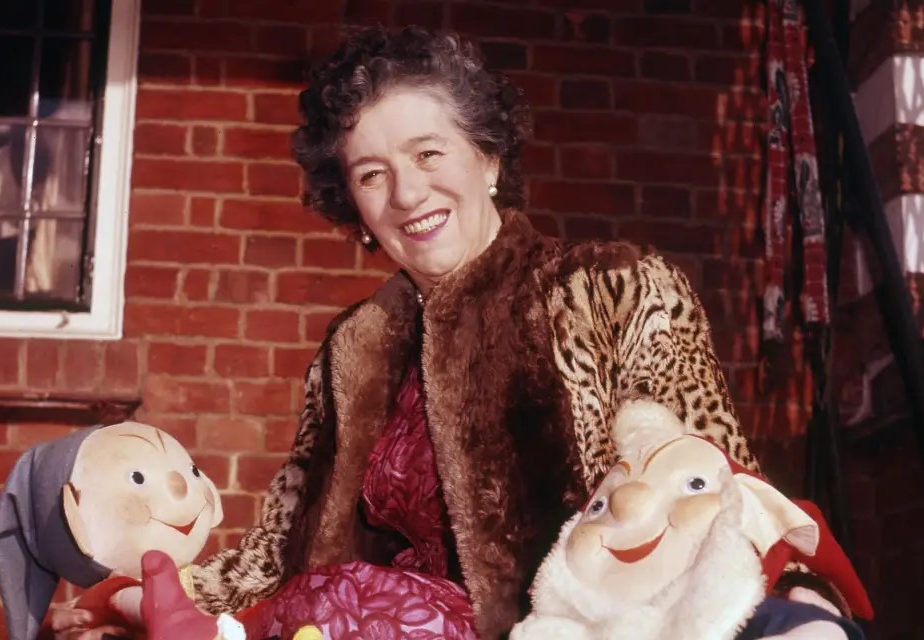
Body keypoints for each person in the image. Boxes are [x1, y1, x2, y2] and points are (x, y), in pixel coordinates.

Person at [52, 25, 853, 640]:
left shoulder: (613, 288)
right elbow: (278, 548)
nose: (407, 194)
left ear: (489, 159)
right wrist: (128, 596)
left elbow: (709, 482)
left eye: (428, 153)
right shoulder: (352, 348)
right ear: (353, 204)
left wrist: (796, 601)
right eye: (372, 174)